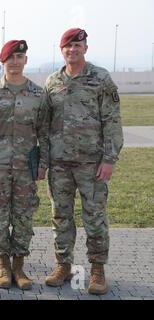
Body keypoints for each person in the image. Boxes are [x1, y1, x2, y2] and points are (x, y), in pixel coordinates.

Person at [42, 28, 124, 295]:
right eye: (68, 46)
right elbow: (44, 125)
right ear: (61, 50)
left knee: (95, 217)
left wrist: (109, 159)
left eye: (78, 46)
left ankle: (97, 270)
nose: (72, 50)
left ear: (85, 49)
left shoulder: (100, 79)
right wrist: (45, 160)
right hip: (60, 164)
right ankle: (63, 265)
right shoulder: (52, 82)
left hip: (92, 164)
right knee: (61, 216)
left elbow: (112, 121)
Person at [0, 40, 48, 290]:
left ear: (26, 60)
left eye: (20, 57)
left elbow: (45, 133)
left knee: (23, 217)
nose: (15, 62)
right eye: (11, 58)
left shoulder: (39, 95)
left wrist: (43, 164)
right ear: (3, 61)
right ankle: (3, 267)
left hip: (25, 169)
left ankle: (19, 268)